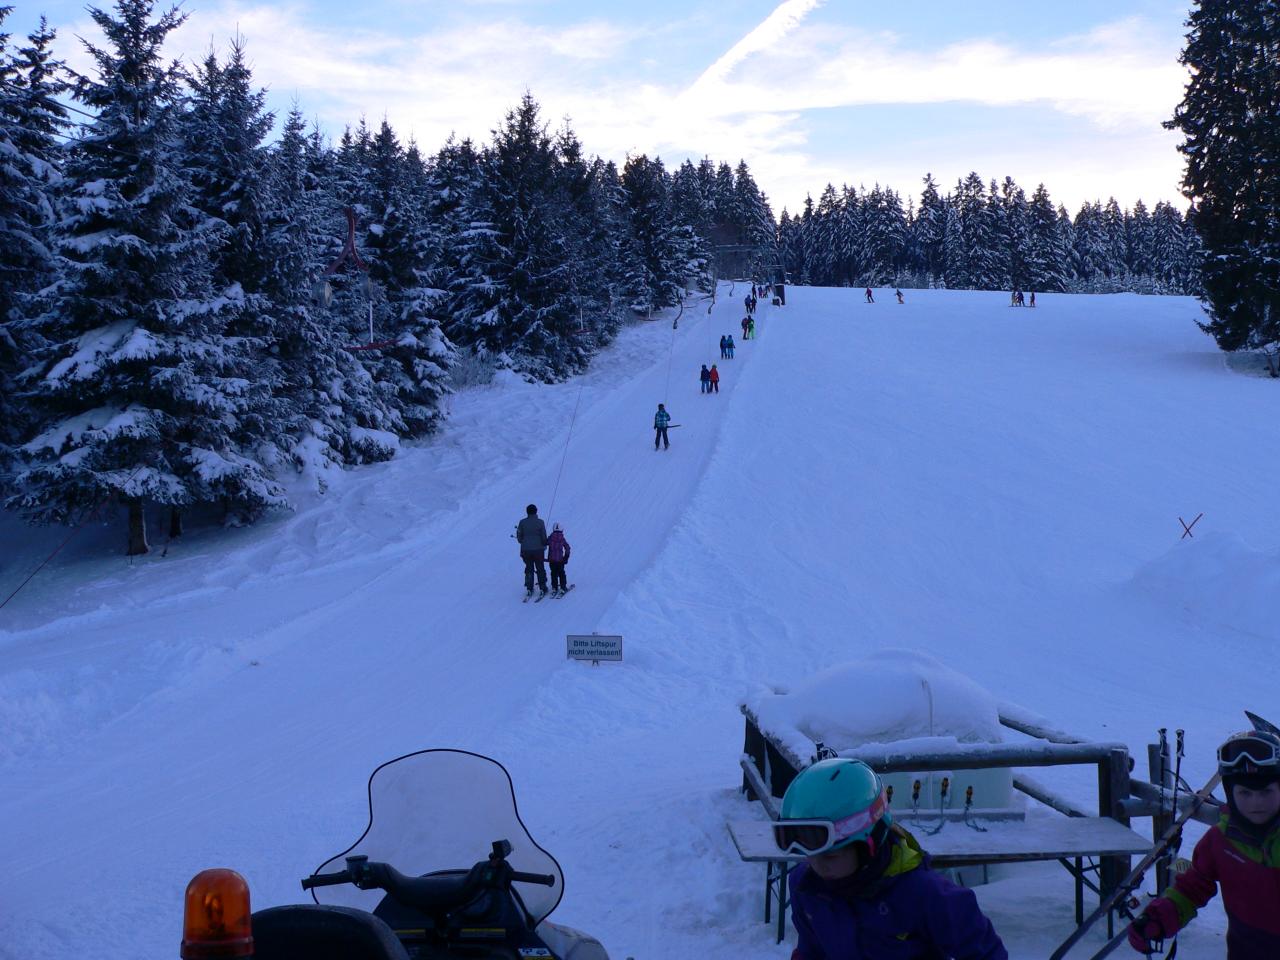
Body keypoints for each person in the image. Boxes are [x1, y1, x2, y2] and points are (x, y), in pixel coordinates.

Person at [778, 758, 1008, 960]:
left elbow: (985, 950)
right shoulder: (806, 887)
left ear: (869, 844)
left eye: (831, 855)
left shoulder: (922, 893)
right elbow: (811, 949)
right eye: (810, 855)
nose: (818, 865)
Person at [1127, 730, 1280, 958]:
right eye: (1245, 792)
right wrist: (1160, 917)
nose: (1256, 802)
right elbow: (1192, 887)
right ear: (1230, 792)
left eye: (1266, 791)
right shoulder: (1219, 842)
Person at [515, 504, 548, 598]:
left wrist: (524, 542)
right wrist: (544, 544)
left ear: (527, 512)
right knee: (540, 568)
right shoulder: (540, 522)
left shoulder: (522, 522)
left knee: (529, 568)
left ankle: (529, 588)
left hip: (526, 550)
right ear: (536, 511)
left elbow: (519, 537)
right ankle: (542, 587)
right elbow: (543, 537)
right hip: (538, 550)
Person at [547, 522, 571, 596]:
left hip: (552, 560)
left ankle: (554, 587)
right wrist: (566, 557)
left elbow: (545, 543)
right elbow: (567, 548)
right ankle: (563, 587)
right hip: (560, 560)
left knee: (553, 573)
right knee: (561, 573)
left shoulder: (550, 538)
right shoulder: (562, 538)